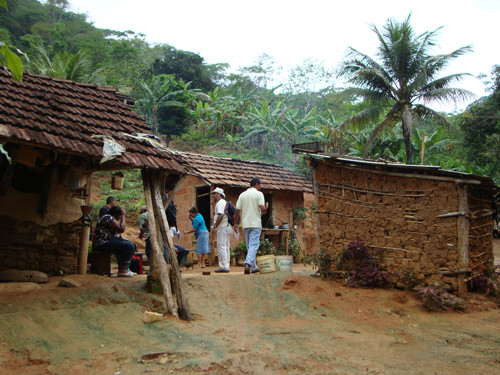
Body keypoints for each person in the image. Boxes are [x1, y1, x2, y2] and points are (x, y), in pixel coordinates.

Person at [234, 177, 268, 274]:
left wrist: (236, 223)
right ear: (257, 184)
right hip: (255, 224)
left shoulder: (242, 195)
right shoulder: (259, 194)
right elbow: (262, 209)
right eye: (259, 185)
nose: (260, 187)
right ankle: (248, 263)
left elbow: (237, 211)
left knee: (250, 246)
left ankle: (253, 267)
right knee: (253, 245)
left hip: (246, 224)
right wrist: (266, 208)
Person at [94, 205, 136, 277]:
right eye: (119, 215)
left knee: (130, 245)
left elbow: (118, 236)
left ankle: (125, 269)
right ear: (116, 214)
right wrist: (123, 216)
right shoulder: (108, 217)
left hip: (107, 241)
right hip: (103, 243)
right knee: (129, 246)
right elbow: (121, 229)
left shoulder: (109, 218)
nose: (119, 218)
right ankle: (123, 270)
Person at [211, 187, 232, 273]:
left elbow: (220, 215)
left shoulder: (220, 203)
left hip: (223, 227)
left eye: (214, 194)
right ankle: (226, 266)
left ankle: (223, 267)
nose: (213, 196)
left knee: (221, 246)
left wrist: (215, 226)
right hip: (228, 226)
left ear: (219, 194)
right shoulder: (225, 203)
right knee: (226, 247)